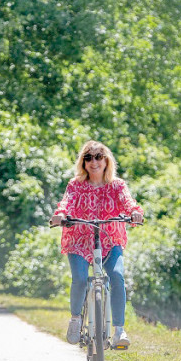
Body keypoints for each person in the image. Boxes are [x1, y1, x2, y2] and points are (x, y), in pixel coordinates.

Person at [50, 140, 144, 349]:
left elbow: (127, 201)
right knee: (81, 279)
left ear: (106, 160)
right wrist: (61, 215)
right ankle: (76, 318)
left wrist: (134, 212)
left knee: (117, 276)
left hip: (110, 240)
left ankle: (119, 330)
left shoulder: (117, 185)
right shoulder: (75, 184)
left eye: (99, 157)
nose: (94, 162)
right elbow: (67, 201)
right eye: (88, 157)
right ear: (83, 163)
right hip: (79, 240)